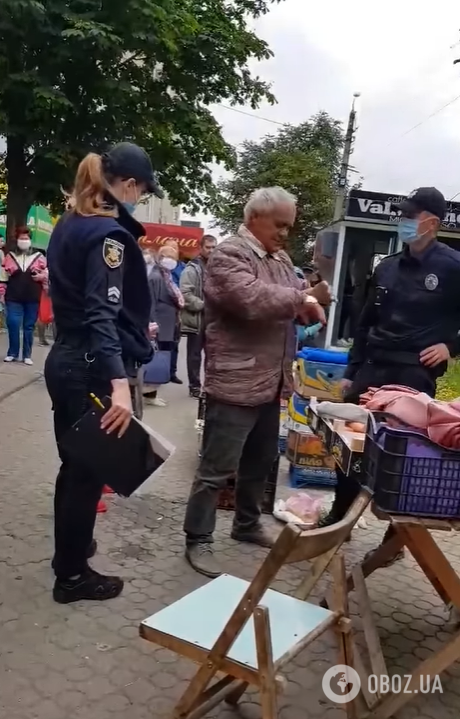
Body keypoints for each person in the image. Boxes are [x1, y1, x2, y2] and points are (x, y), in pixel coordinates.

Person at [183, 187, 327, 577]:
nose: (285, 234)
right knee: (217, 468)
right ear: (254, 219)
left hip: (271, 381)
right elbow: (249, 298)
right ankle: (199, 538)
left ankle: (246, 524)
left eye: (289, 227)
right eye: (279, 224)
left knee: (261, 463)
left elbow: (287, 299)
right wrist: (303, 298)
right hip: (235, 381)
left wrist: (309, 307)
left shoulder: (279, 258)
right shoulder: (231, 253)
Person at [45, 141, 163, 603]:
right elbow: (101, 314)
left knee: (73, 467)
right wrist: (118, 385)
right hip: (91, 367)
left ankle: (68, 554)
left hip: (67, 360)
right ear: (128, 185)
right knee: (86, 474)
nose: (140, 198)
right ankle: (72, 577)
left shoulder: (69, 223)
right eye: (142, 190)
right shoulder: (107, 236)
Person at [320, 187, 460, 565]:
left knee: (401, 456)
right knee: (349, 446)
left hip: (414, 374)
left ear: (431, 221)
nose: (403, 223)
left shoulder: (453, 266)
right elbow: (365, 324)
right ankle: (339, 517)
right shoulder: (387, 266)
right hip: (373, 368)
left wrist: (451, 347)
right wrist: (351, 371)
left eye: (410, 216)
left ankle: (393, 538)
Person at [143, 245, 184, 407]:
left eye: (174, 257)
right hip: (159, 326)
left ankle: (152, 392)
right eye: (169, 257)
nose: (172, 261)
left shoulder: (165, 275)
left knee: (162, 358)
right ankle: (148, 394)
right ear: (161, 258)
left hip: (167, 325)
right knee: (156, 359)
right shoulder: (155, 277)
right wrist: (152, 324)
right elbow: (150, 303)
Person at [1, 227, 47, 365]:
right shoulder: (10, 256)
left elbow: (48, 273)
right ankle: (12, 352)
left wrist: (41, 276)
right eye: (21, 238)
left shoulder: (39, 256)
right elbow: (3, 277)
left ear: (30, 240)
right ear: (17, 239)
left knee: (28, 326)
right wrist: (1, 293)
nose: (24, 241)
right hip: (13, 297)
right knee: (13, 324)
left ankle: (27, 355)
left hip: (32, 297)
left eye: (26, 238)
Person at [180, 234, 217, 397]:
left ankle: (210, 387)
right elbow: (184, 293)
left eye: (214, 247)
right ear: (201, 248)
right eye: (208, 247)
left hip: (214, 319)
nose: (211, 250)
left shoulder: (217, 267)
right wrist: (203, 305)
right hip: (198, 318)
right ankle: (194, 386)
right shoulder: (192, 268)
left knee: (213, 355)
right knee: (194, 356)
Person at [163, 238, 185, 385]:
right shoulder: (159, 269)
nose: (172, 254)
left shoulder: (182, 267)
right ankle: (160, 373)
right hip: (163, 311)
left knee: (175, 344)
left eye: (174, 250)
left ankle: (172, 372)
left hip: (177, 310)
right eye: (169, 250)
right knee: (163, 345)